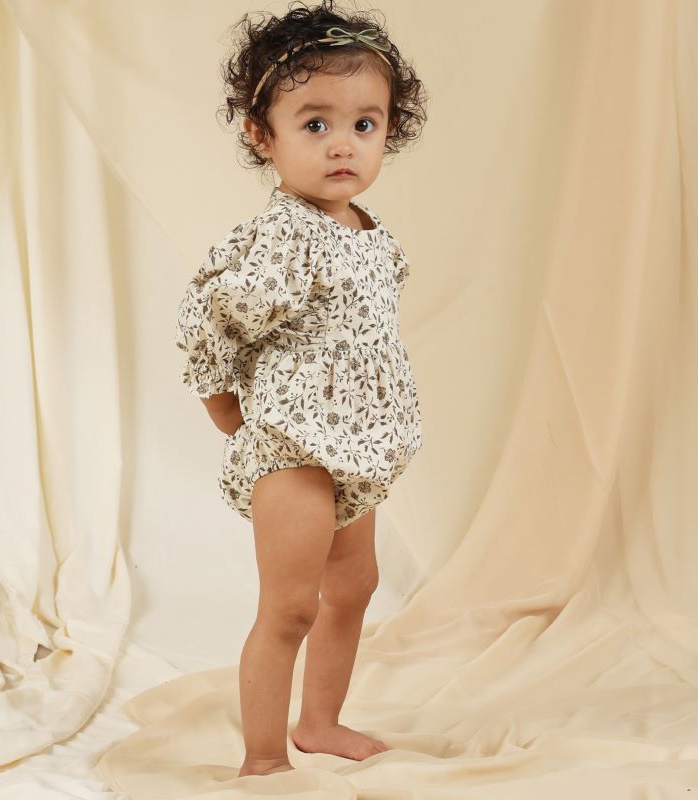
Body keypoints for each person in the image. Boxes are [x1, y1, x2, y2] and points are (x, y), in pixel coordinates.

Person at [173, 0, 428, 778]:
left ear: (389, 130)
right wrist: (224, 407)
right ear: (264, 136)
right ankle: (262, 758)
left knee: (354, 588)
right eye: (314, 124)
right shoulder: (281, 237)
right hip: (294, 446)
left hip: (358, 442)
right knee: (290, 607)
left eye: (364, 124)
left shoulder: (366, 228)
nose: (342, 144)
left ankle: (319, 722)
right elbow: (209, 317)